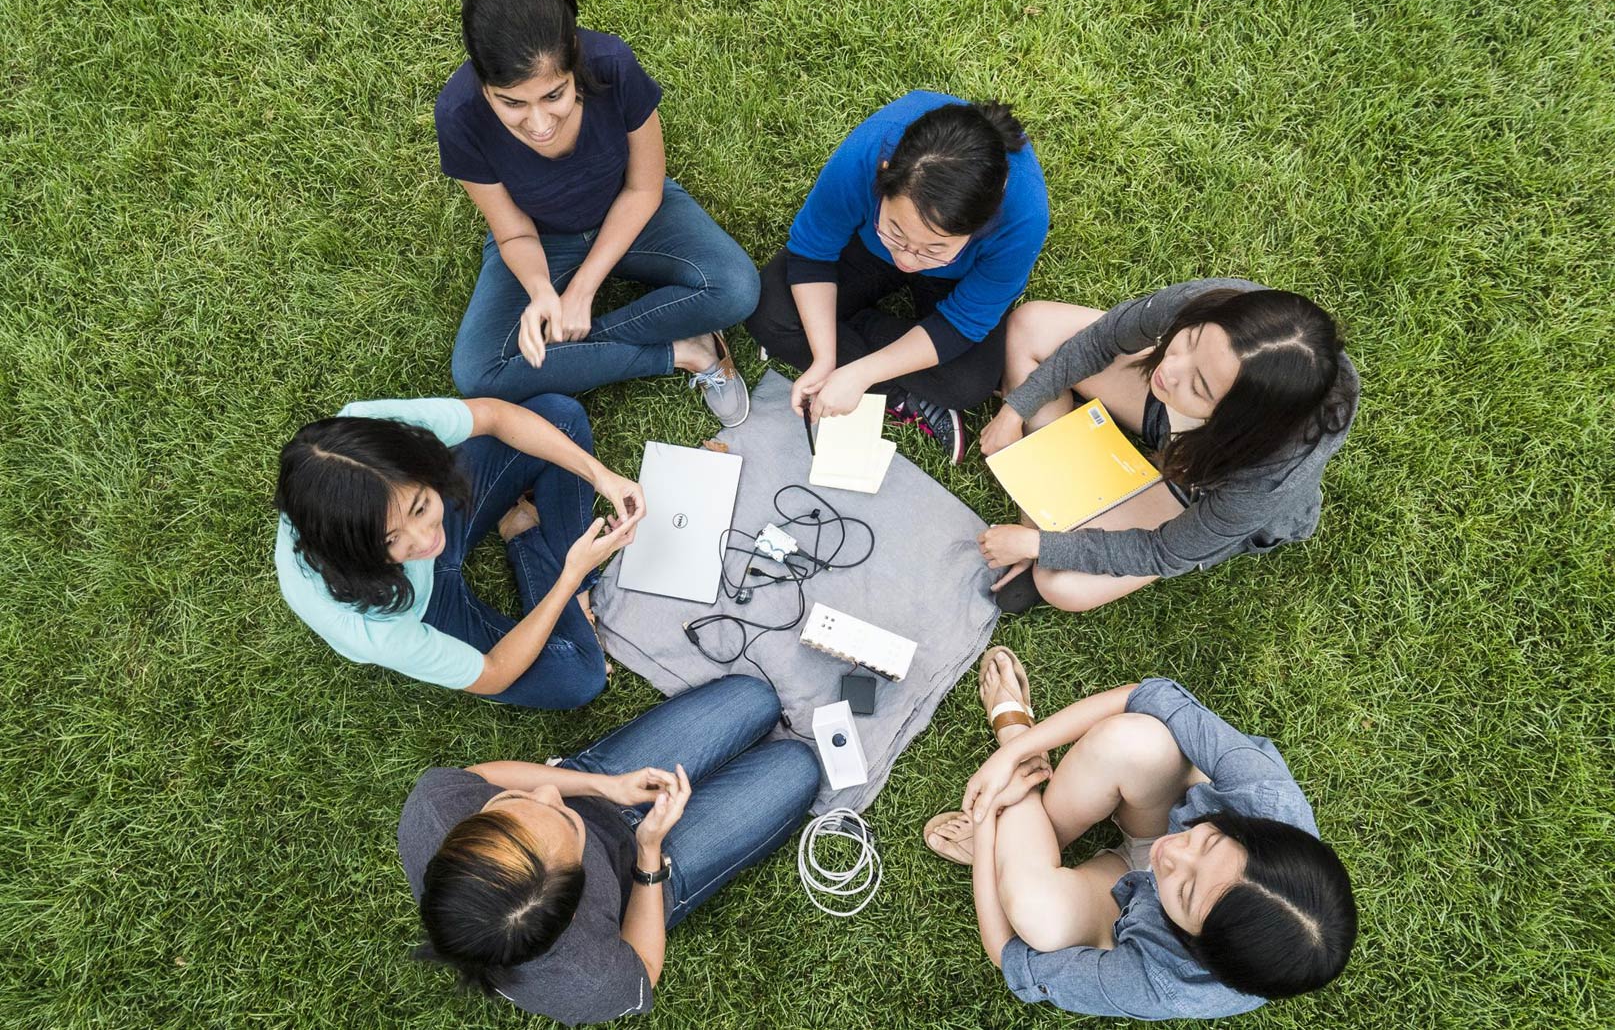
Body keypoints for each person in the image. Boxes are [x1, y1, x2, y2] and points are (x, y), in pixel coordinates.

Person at [924, 649, 1356, 1019]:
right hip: (1157, 805)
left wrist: (984, 826)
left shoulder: (1171, 983)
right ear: (1251, 831)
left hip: (1116, 897)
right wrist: (1016, 754)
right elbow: (1148, 695)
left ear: (1196, 946)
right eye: (1210, 841)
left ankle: (1011, 827)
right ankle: (1019, 809)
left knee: (1036, 912)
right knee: (1134, 741)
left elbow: (1007, 953)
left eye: (1187, 891)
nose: (1172, 854)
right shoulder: (1268, 798)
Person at [439, 0, 759, 424]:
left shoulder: (612, 64)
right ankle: (683, 350)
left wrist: (583, 290)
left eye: (554, 95)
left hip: (635, 211)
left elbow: (644, 187)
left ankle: (573, 349)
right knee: (477, 373)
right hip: (540, 238)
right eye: (513, 103)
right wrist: (541, 291)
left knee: (736, 287)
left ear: (573, 58)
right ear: (483, 84)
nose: (540, 124)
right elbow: (512, 234)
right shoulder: (458, 115)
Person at [398, 675, 819, 1024]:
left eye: (510, 803)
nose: (545, 789)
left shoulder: (435, 807)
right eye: (563, 820)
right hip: (651, 876)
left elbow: (484, 776)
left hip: (598, 789)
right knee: (798, 767)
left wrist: (604, 786)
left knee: (753, 696)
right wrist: (649, 852)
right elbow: (645, 966)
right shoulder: (587, 981)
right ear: (577, 902)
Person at [977, 280, 1359, 612]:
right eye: (1190, 340)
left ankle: (1054, 493)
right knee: (1033, 325)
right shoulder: (1215, 306)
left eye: (1199, 385)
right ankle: (1053, 488)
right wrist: (1016, 410)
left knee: (1060, 582)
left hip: (1201, 478)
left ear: (1236, 421)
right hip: (1169, 419)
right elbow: (1102, 339)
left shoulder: (1265, 477)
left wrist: (1039, 545)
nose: (1169, 369)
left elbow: (1164, 551)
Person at [275, 394, 643, 708]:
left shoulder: (368, 435)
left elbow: (495, 416)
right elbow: (493, 674)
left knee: (558, 417)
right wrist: (569, 576)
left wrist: (601, 477)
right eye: (390, 539)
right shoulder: (373, 626)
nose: (425, 541)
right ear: (356, 550)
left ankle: (566, 571)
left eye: (420, 507)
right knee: (578, 676)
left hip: (437, 516)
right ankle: (538, 549)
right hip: (420, 607)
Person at [745, 91, 1050, 464]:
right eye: (896, 229)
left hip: (953, 282)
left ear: (983, 226)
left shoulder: (1024, 216)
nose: (907, 260)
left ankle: (850, 334)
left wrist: (859, 373)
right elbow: (812, 254)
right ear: (885, 173)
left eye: (934, 247)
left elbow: (964, 321)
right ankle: (897, 386)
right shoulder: (866, 153)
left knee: (968, 382)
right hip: (864, 251)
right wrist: (825, 358)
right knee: (767, 306)